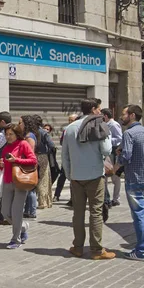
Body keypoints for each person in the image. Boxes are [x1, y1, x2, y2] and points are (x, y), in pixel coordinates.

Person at [62, 99, 114, 260]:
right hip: (95, 176)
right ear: (93, 109)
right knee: (96, 213)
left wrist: (70, 174)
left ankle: (77, 247)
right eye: (99, 109)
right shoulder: (98, 125)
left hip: (76, 177)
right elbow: (106, 150)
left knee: (77, 213)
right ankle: (97, 250)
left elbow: (65, 155)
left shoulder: (69, 128)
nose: (100, 112)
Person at [1, 123, 38, 249]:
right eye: (6, 134)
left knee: (16, 212)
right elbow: (5, 163)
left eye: (11, 134)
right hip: (7, 181)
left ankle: (15, 240)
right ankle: (23, 227)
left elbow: (33, 160)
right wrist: (1, 163)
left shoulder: (23, 144)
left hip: (21, 181)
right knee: (5, 212)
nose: (8, 136)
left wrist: (16, 160)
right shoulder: (6, 147)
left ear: (17, 134)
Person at [116, 105, 144, 260]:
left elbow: (126, 156)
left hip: (134, 179)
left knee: (139, 214)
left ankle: (141, 251)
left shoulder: (129, 133)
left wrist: (116, 164)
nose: (121, 117)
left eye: (123, 114)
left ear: (132, 115)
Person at [54, 114, 78, 203]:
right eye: (69, 120)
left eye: (72, 120)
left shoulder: (78, 130)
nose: (70, 122)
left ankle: (73, 198)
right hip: (67, 157)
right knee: (62, 177)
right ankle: (56, 195)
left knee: (74, 179)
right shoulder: (66, 130)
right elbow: (61, 142)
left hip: (75, 158)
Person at [101, 108, 123, 207]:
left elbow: (119, 139)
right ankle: (107, 198)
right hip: (107, 152)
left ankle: (116, 198)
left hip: (113, 152)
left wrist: (107, 139)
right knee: (105, 175)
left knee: (115, 177)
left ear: (105, 116)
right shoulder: (105, 125)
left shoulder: (114, 125)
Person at [19, 115, 39, 218]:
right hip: (25, 163)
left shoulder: (30, 136)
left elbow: (29, 152)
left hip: (29, 165)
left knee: (30, 188)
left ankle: (32, 211)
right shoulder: (26, 135)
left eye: (20, 122)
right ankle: (28, 210)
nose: (19, 125)